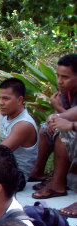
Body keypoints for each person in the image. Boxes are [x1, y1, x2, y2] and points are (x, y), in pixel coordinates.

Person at [30, 54, 77, 201]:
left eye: (65, 77)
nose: (59, 81)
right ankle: (37, 172)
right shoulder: (66, 92)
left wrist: (58, 113)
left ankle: (58, 184)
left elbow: (71, 116)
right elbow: (67, 114)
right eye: (58, 76)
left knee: (64, 133)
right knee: (45, 129)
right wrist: (55, 117)